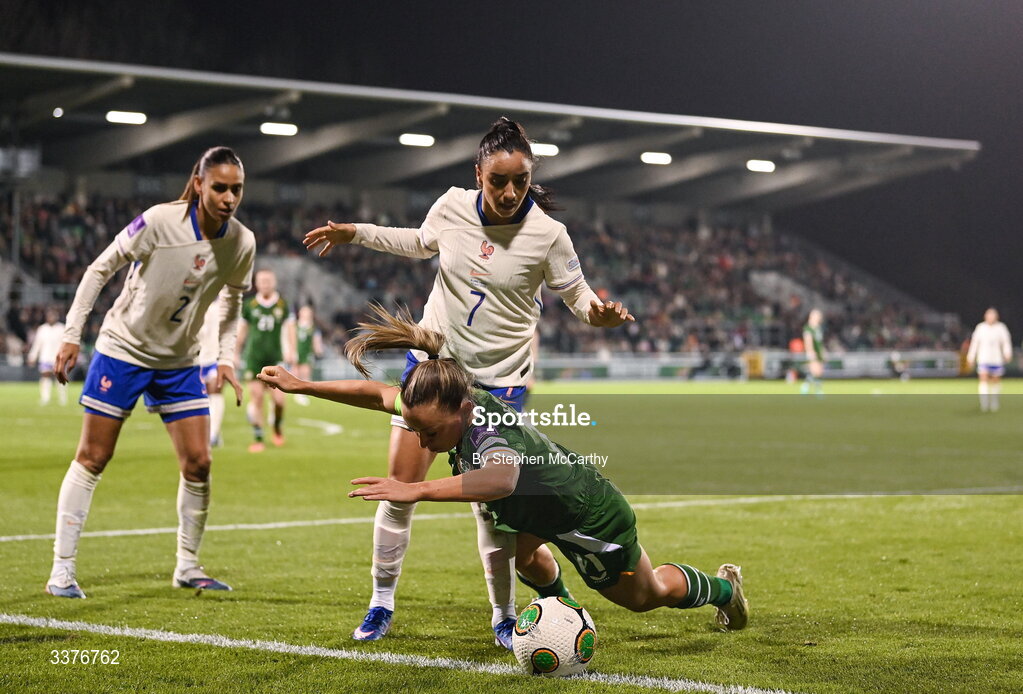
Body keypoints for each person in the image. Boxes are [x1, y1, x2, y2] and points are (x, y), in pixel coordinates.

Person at [303, 117, 635, 647]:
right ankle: (380, 604)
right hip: (435, 367)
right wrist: (355, 233)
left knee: (494, 511)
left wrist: (603, 316)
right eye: (497, 180)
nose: (508, 192)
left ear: (531, 179)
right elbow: (417, 242)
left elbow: (582, 302)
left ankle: (503, 615)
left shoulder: (549, 236)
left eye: (520, 182)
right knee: (399, 490)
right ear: (477, 174)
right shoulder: (452, 206)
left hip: (499, 383)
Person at [256, 306, 748, 630]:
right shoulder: (442, 400)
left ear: (463, 415)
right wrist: (301, 385)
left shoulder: (486, 427)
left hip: (588, 516)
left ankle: (725, 589)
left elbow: (501, 479)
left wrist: (418, 491)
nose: (423, 441)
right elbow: (377, 394)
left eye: (430, 433)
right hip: (540, 513)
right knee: (523, 556)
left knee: (645, 595)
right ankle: (565, 615)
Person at [45, 146, 255, 599]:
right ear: (199, 184)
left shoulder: (242, 242)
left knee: (199, 462)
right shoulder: (160, 221)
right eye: (219, 187)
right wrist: (70, 333)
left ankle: (188, 566)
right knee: (93, 458)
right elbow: (100, 268)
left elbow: (233, 303)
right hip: (123, 350)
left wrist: (224, 357)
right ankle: (62, 570)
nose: (228, 197)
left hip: (179, 361)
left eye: (236, 189)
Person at [236, 269, 296, 452]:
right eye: (262, 280)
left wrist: (292, 350)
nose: (265, 283)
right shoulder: (249, 305)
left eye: (268, 280)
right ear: (257, 283)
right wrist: (236, 352)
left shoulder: (283, 305)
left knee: (279, 401)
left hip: (275, 359)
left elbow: (291, 327)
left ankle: (277, 427)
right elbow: (243, 330)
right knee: (257, 397)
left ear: (274, 282)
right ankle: (258, 438)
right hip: (254, 358)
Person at [966, 308, 1012, 412]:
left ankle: (994, 402)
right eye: (989, 315)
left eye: (993, 315)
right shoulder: (980, 328)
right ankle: (984, 403)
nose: (991, 317)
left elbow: (1006, 342)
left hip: (996, 359)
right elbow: (974, 343)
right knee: (983, 379)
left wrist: (1007, 353)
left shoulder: (1001, 328)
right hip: (984, 358)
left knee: (996, 380)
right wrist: (971, 357)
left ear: (997, 317)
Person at [198, 298, 227, 446]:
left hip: (216, 356)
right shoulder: (193, 304)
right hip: (196, 358)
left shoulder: (221, 306)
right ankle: (205, 432)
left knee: (215, 390)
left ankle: (214, 433)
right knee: (201, 397)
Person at [27, 307, 68, 406]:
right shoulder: (42, 329)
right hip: (45, 357)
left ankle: (63, 398)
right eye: (49, 316)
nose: (51, 318)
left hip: (58, 358)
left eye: (53, 316)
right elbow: (37, 344)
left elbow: (66, 344)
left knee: (60, 378)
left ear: (57, 317)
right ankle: (45, 397)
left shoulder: (62, 328)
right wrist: (32, 356)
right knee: (45, 376)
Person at [294, 304, 324, 406]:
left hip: (307, 352)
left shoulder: (313, 327)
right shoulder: (295, 325)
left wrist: (318, 349)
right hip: (297, 351)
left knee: (305, 372)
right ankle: (296, 392)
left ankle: (303, 393)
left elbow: (316, 340)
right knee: (296, 372)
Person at [801, 309, 825, 396]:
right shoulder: (808, 328)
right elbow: (808, 341)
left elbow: (820, 342)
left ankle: (805, 386)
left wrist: (823, 351)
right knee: (816, 371)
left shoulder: (818, 328)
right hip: (813, 352)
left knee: (817, 372)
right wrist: (810, 351)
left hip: (818, 352)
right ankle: (817, 390)